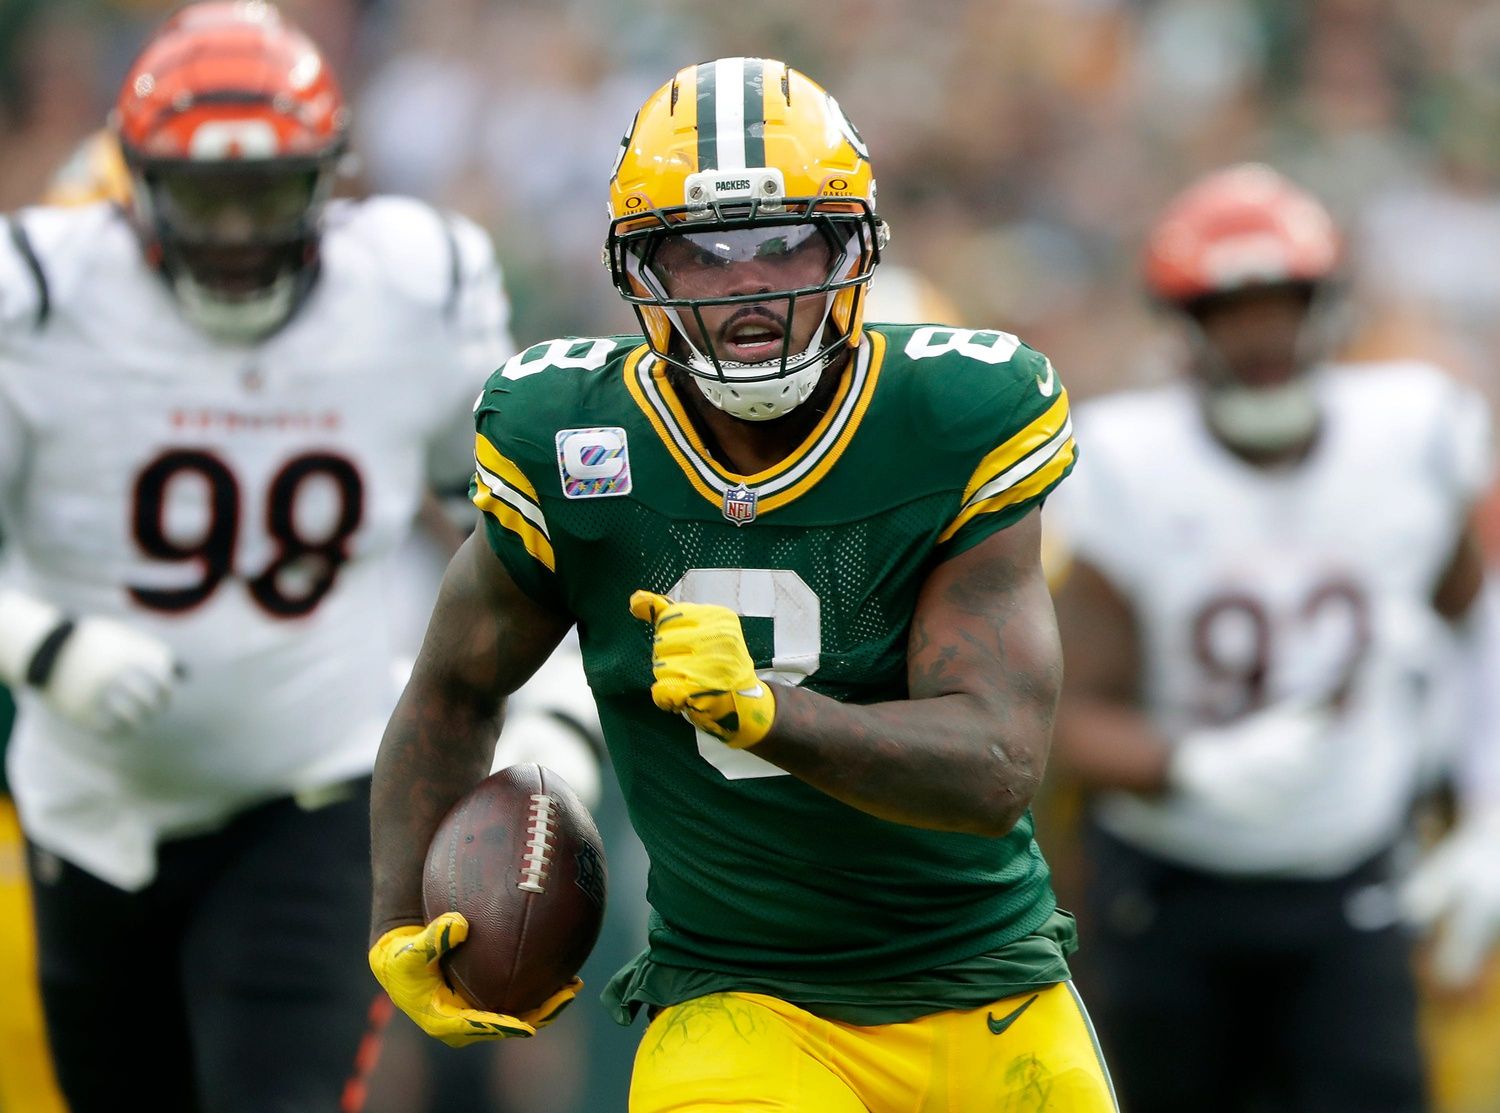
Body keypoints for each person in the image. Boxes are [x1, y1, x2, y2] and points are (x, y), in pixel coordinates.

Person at [368, 56, 1118, 1112]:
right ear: (645, 271)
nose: (749, 286)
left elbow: (995, 764)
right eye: (702, 253)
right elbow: (453, 688)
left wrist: (769, 713)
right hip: (741, 997)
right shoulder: (575, 437)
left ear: (851, 244)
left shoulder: (953, 417)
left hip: (986, 988)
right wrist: (400, 915)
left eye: (783, 242)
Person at [0, 4, 521, 1109]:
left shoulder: (412, 292)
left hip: (316, 794)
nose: (235, 231)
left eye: (267, 194)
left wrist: (548, 696)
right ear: (131, 181)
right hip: (89, 813)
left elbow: (505, 519)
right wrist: (43, 645)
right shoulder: (39, 298)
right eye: (203, 195)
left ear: (330, 183)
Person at [1047, 162, 1500, 1113]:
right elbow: (1067, 710)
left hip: (1353, 876)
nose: (1262, 334)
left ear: (1326, 306)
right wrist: (1194, 764)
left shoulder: (1413, 433)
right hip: (1170, 886)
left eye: (1282, 302)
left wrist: (1490, 809)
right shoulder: (1128, 462)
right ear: (1184, 323)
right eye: (1231, 307)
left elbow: (1478, 628)